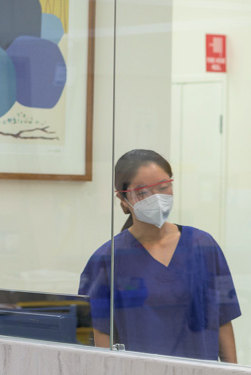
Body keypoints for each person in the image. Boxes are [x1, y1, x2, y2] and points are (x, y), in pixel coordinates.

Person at [79, 149, 240, 362]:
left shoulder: (203, 246)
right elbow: (101, 336)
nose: (156, 198)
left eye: (163, 187)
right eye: (143, 192)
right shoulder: (106, 260)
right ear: (122, 198)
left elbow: (223, 321)